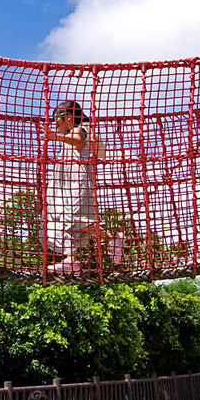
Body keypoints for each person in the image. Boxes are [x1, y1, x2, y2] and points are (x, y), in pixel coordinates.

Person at [43, 100, 121, 273]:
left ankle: (111, 238)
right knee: (64, 219)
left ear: (69, 118)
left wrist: (55, 137)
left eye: (58, 118)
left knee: (76, 219)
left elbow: (79, 141)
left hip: (78, 183)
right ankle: (72, 259)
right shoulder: (70, 137)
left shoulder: (79, 130)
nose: (55, 123)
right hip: (67, 185)